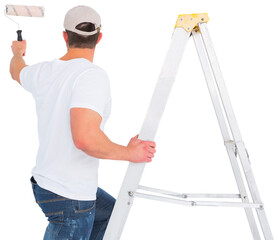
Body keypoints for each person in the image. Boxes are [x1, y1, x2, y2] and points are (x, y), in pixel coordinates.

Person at [9, 5, 156, 240]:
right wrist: (129, 153)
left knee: (110, 214)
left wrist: (17, 52)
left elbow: (16, 71)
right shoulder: (91, 76)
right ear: (99, 38)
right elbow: (84, 139)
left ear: (65, 36)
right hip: (70, 197)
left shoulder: (43, 72)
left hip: (46, 184)